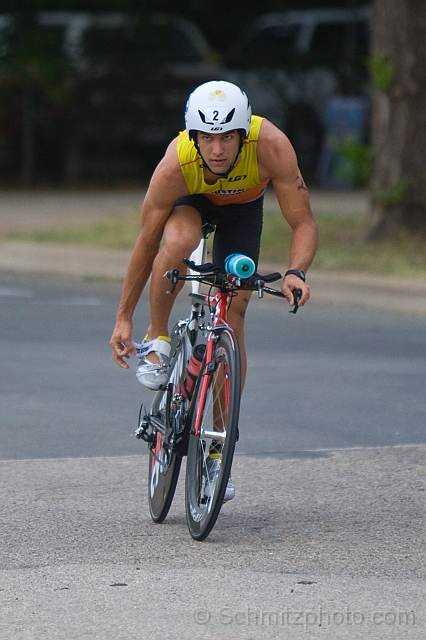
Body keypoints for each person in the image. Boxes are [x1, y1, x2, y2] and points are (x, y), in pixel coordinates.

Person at [110, 80, 318, 498]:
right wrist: (124, 318)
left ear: (243, 133)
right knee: (178, 241)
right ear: (193, 136)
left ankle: (216, 448)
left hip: (243, 210)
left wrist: (297, 272)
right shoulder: (176, 165)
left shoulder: (272, 145)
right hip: (191, 201)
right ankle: (160, 338)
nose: (217, 149)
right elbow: (146, 242)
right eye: (207, 136)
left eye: (226, 137)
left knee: (234, 315)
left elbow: (304, 223)